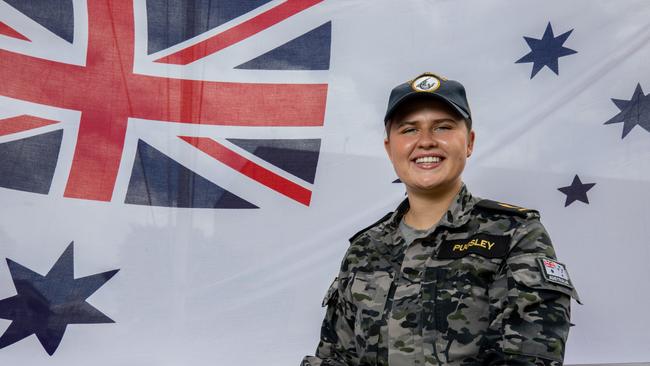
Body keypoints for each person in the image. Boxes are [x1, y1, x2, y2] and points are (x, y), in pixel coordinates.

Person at [301, 72, 580, 366]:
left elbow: (527, 358)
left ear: (469, 142)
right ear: (389, 148)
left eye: (443, 127)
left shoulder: (515, 235)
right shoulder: (364, 249)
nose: (425, 142)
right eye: (409, 130)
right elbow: (334, 357)